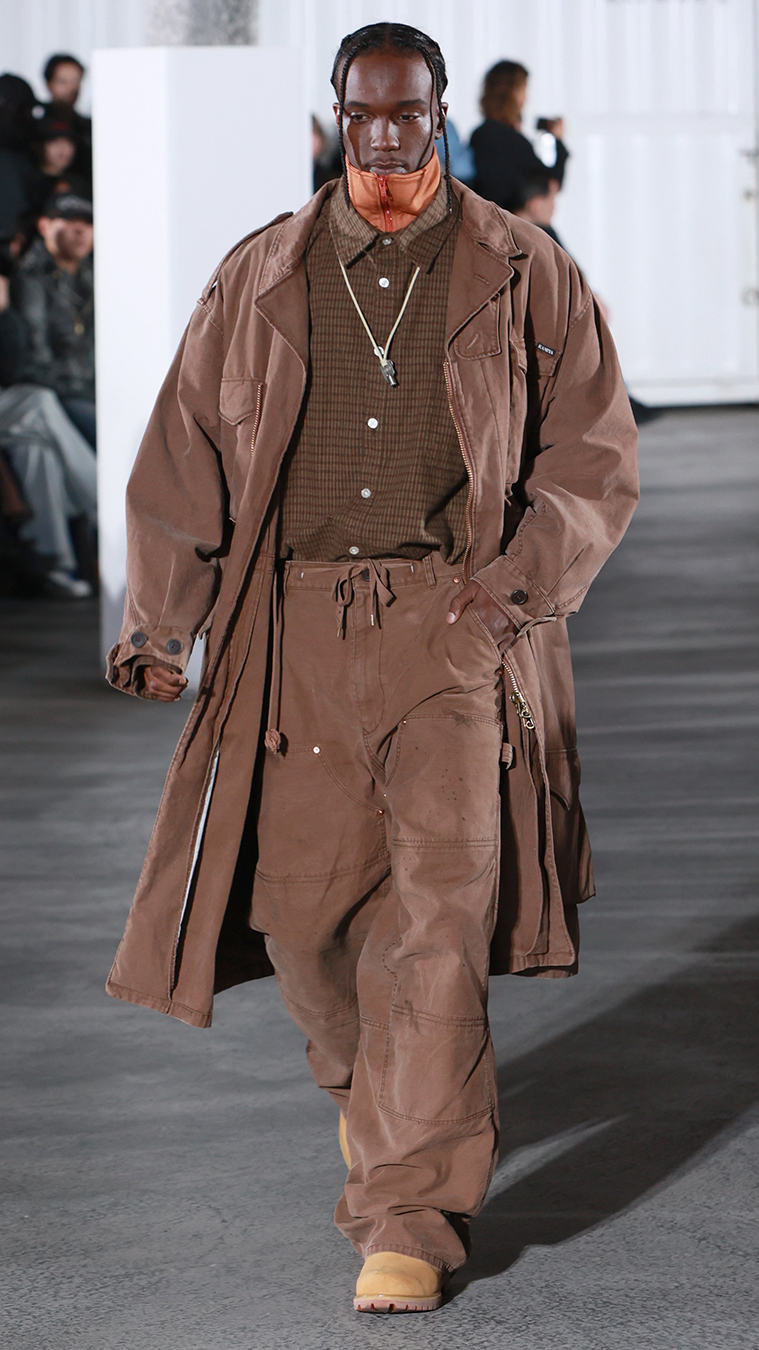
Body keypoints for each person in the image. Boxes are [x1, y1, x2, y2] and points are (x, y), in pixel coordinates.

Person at [104, 21, 638, 1314]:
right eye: (364, 115)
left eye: (408, 114)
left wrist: (506, 593)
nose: (387, 138)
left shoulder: (523, 269)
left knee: (436, 921)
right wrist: (161, 624)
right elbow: (183, 452)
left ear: (440, 114)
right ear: (336, 116)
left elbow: (593, 452)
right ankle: (373, 1095)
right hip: (290, 633)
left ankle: (410, 1211)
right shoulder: (262, 274)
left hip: (451, 626)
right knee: (302, 922)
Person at [0, 229, 97, 596]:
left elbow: (11, 367)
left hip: (9, 406)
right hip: (19, 401)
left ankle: (53, 565)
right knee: (38, 402)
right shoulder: (31, 281)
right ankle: (103, 501)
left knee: (36, 450)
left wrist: (4, 313)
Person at [11, 192, 95, 448]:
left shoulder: (94, 277)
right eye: (69, 220)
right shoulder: (29, 279)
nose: (80, 230)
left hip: (94, 393)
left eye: (88, 222)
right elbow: (35, 359)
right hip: (57, 396)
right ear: (44, 226)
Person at [470, 59, 568, 211]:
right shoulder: (512, 141)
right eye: (523, 90)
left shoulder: (479, 135)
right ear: (512, 93)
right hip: (509, 220)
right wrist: (559, 142)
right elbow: (549, 186)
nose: (526, 98)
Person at [41, 54, 91, 188]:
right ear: (49, 84)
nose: (72, 88)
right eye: (63, 81)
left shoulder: (88, 128)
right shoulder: (33, 127)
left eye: (76, 81)